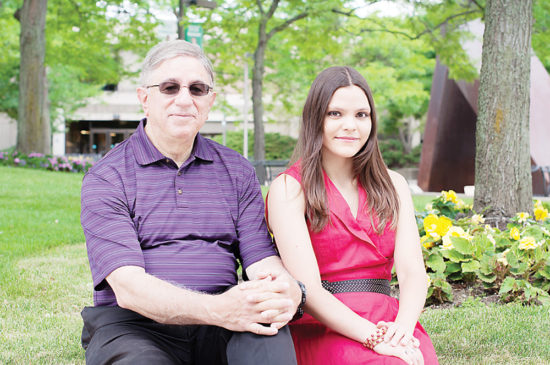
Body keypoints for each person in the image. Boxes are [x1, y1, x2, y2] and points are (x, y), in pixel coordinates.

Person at [79, 39, 304, 365]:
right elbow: (128, 287)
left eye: (197, 89)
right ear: (145, 98)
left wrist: (286, 290)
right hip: (136, 327)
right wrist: (219, 310)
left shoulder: (237, 170)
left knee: (269, 332)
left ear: (209, 101)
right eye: (169, 87)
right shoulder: (108, 176)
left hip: (227, 321)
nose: (184, 99)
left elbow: (260, 260)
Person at [267, 66, 439, 365]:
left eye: (361, 115)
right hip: (324, 324)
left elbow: (413, 273)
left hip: (389, 318)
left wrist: (402, 329)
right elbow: (309, 289)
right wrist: (375, 338)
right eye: (335, 114)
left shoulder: (394, 184)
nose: (351, 125)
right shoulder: (290, 189)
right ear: (315, 118)